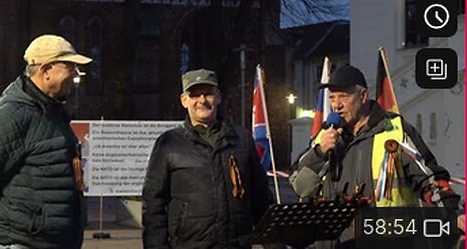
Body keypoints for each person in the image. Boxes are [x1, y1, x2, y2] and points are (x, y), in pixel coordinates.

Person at [290, 65, 462, 248]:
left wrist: (453, 213)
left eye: (343, 97)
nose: (336, 105)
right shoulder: (325, 137)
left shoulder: (395, 131)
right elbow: (301, 187)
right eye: (332, 97)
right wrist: (318, 152)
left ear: (363, 96)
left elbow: (430, 179)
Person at [142, 68, 274, 248]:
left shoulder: (241, 140)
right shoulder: (169, 143)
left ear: (218, 97)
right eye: (195, 95)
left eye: (208, 94)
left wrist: (275, 243)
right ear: (184, 100)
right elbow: (153, 204)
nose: (202, 100)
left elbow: (261, 197)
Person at [0, 34, 91, 249]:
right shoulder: (13, 117)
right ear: (45, 70)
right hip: (22, 242)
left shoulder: (54, 114)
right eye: (69, 67)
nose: (75, 74)